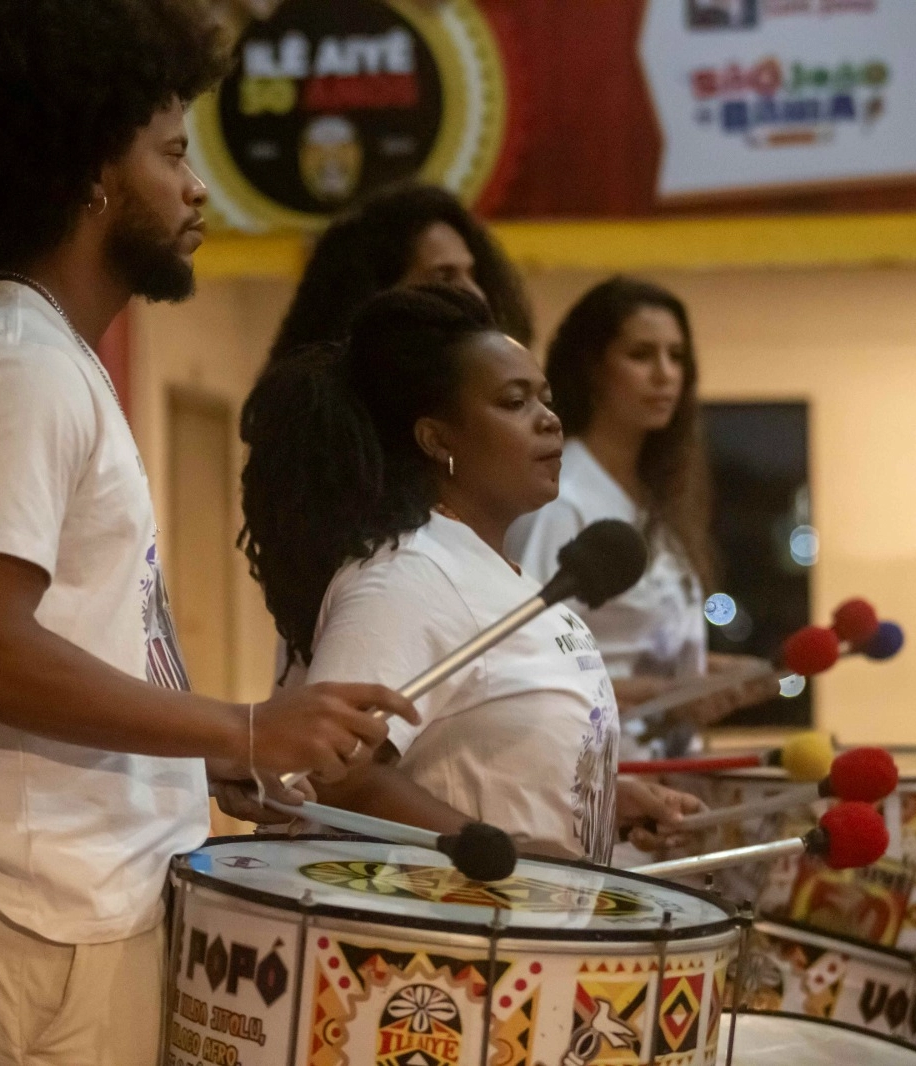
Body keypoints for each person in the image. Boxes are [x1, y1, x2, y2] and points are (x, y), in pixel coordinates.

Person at [0, 3, 416, 1064]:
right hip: (8, 924)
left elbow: (75, 644)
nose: (196, 187)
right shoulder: (16, 366)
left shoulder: (49, 361)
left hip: (64, 912)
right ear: (90, 176)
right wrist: (239, 727)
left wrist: (193, 767)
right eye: (170, 154)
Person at [240, 284, 701, 862]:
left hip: (533, 935)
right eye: (515, 403)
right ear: (437, 438)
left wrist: (606, 806)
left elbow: (486, 759)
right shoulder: (404, 579)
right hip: (444, 943)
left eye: (545, 399)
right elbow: (338, 777)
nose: (549, 421)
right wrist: (515, 856)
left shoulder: (506, 575)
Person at [507, 276, 777, 758]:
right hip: (589, 777)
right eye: (641, 355)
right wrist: (665, 700)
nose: (665, 374)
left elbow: (630, 650)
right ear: (591, 366)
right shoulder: (562, 496)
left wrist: (714, 675)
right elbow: (520, 664)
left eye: (677, 356)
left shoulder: (656, 500)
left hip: (663, 774)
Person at [268, 181, 533, 363]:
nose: (476, 293)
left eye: (472, 275)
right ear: (373, 298)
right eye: (444, 277)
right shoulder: (320, 434)